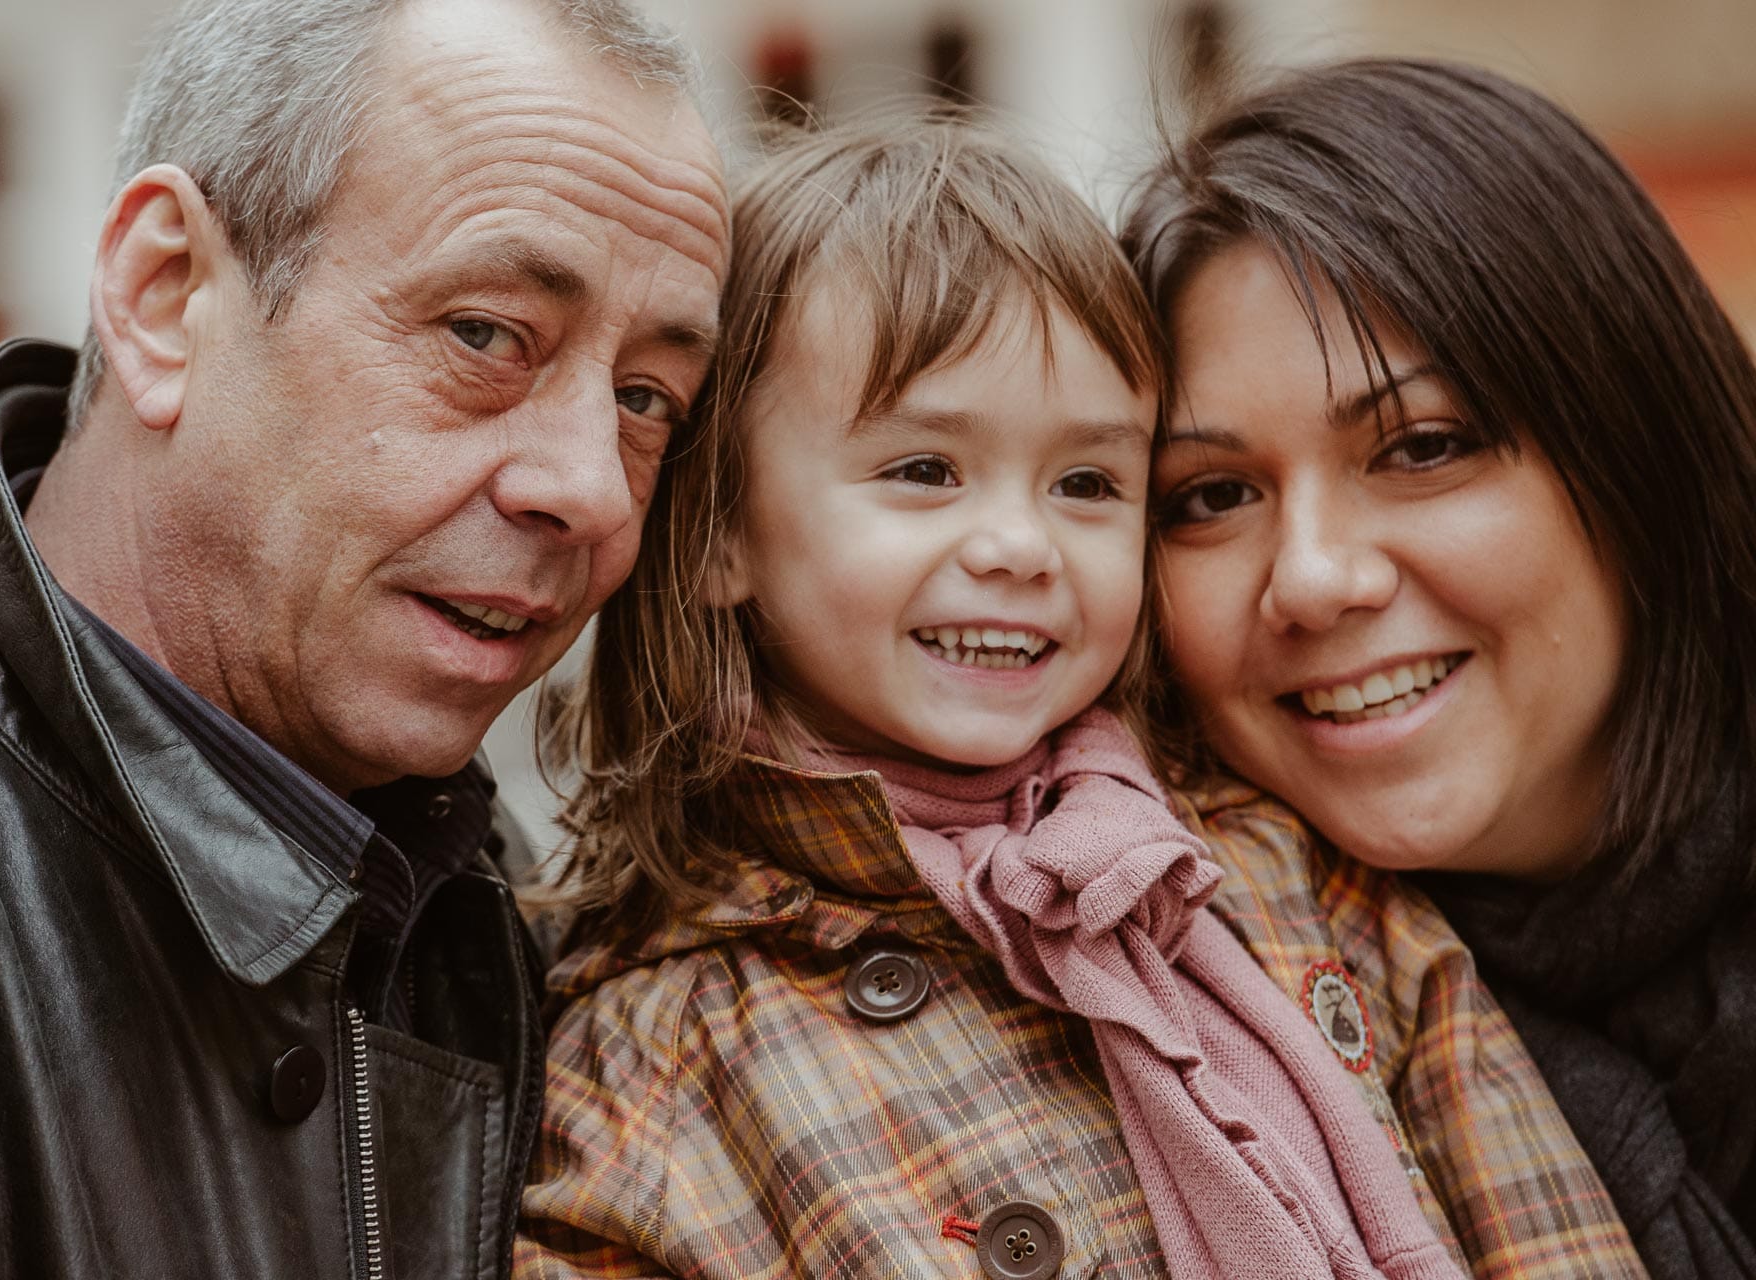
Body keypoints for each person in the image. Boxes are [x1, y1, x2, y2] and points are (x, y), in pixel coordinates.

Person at [513, 113, 1633, 1280]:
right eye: (923, 470)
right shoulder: (643, 1067)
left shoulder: (1285, 872)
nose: (1018, 544)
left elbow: (1547, 1231)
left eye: (1087, 480)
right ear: (716, 535)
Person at [0, 0, 727, 1274]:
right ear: (163, 293)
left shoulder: (479, 884)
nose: (589, 486)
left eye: (645, 397)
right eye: (483, 334)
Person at [1126, 57, 1756, 1278]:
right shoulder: (1149, 1030)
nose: (1310, 577)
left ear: (1641, 450)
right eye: (1208, 495)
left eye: (1420, 446)